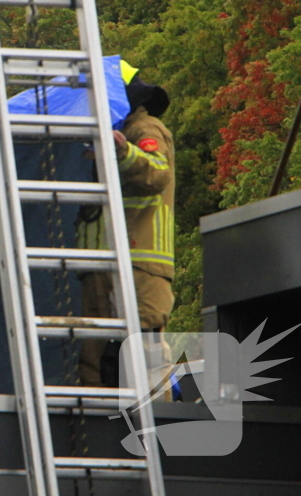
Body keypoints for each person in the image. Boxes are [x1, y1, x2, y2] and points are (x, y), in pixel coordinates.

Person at [76, 60, 175, 395]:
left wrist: (123, 152)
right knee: (95, 355)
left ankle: (156, 424)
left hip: (138, 264)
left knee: (145, 354)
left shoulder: (143, 129)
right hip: (101, 267)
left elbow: (158, 173)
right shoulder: (103, 136)